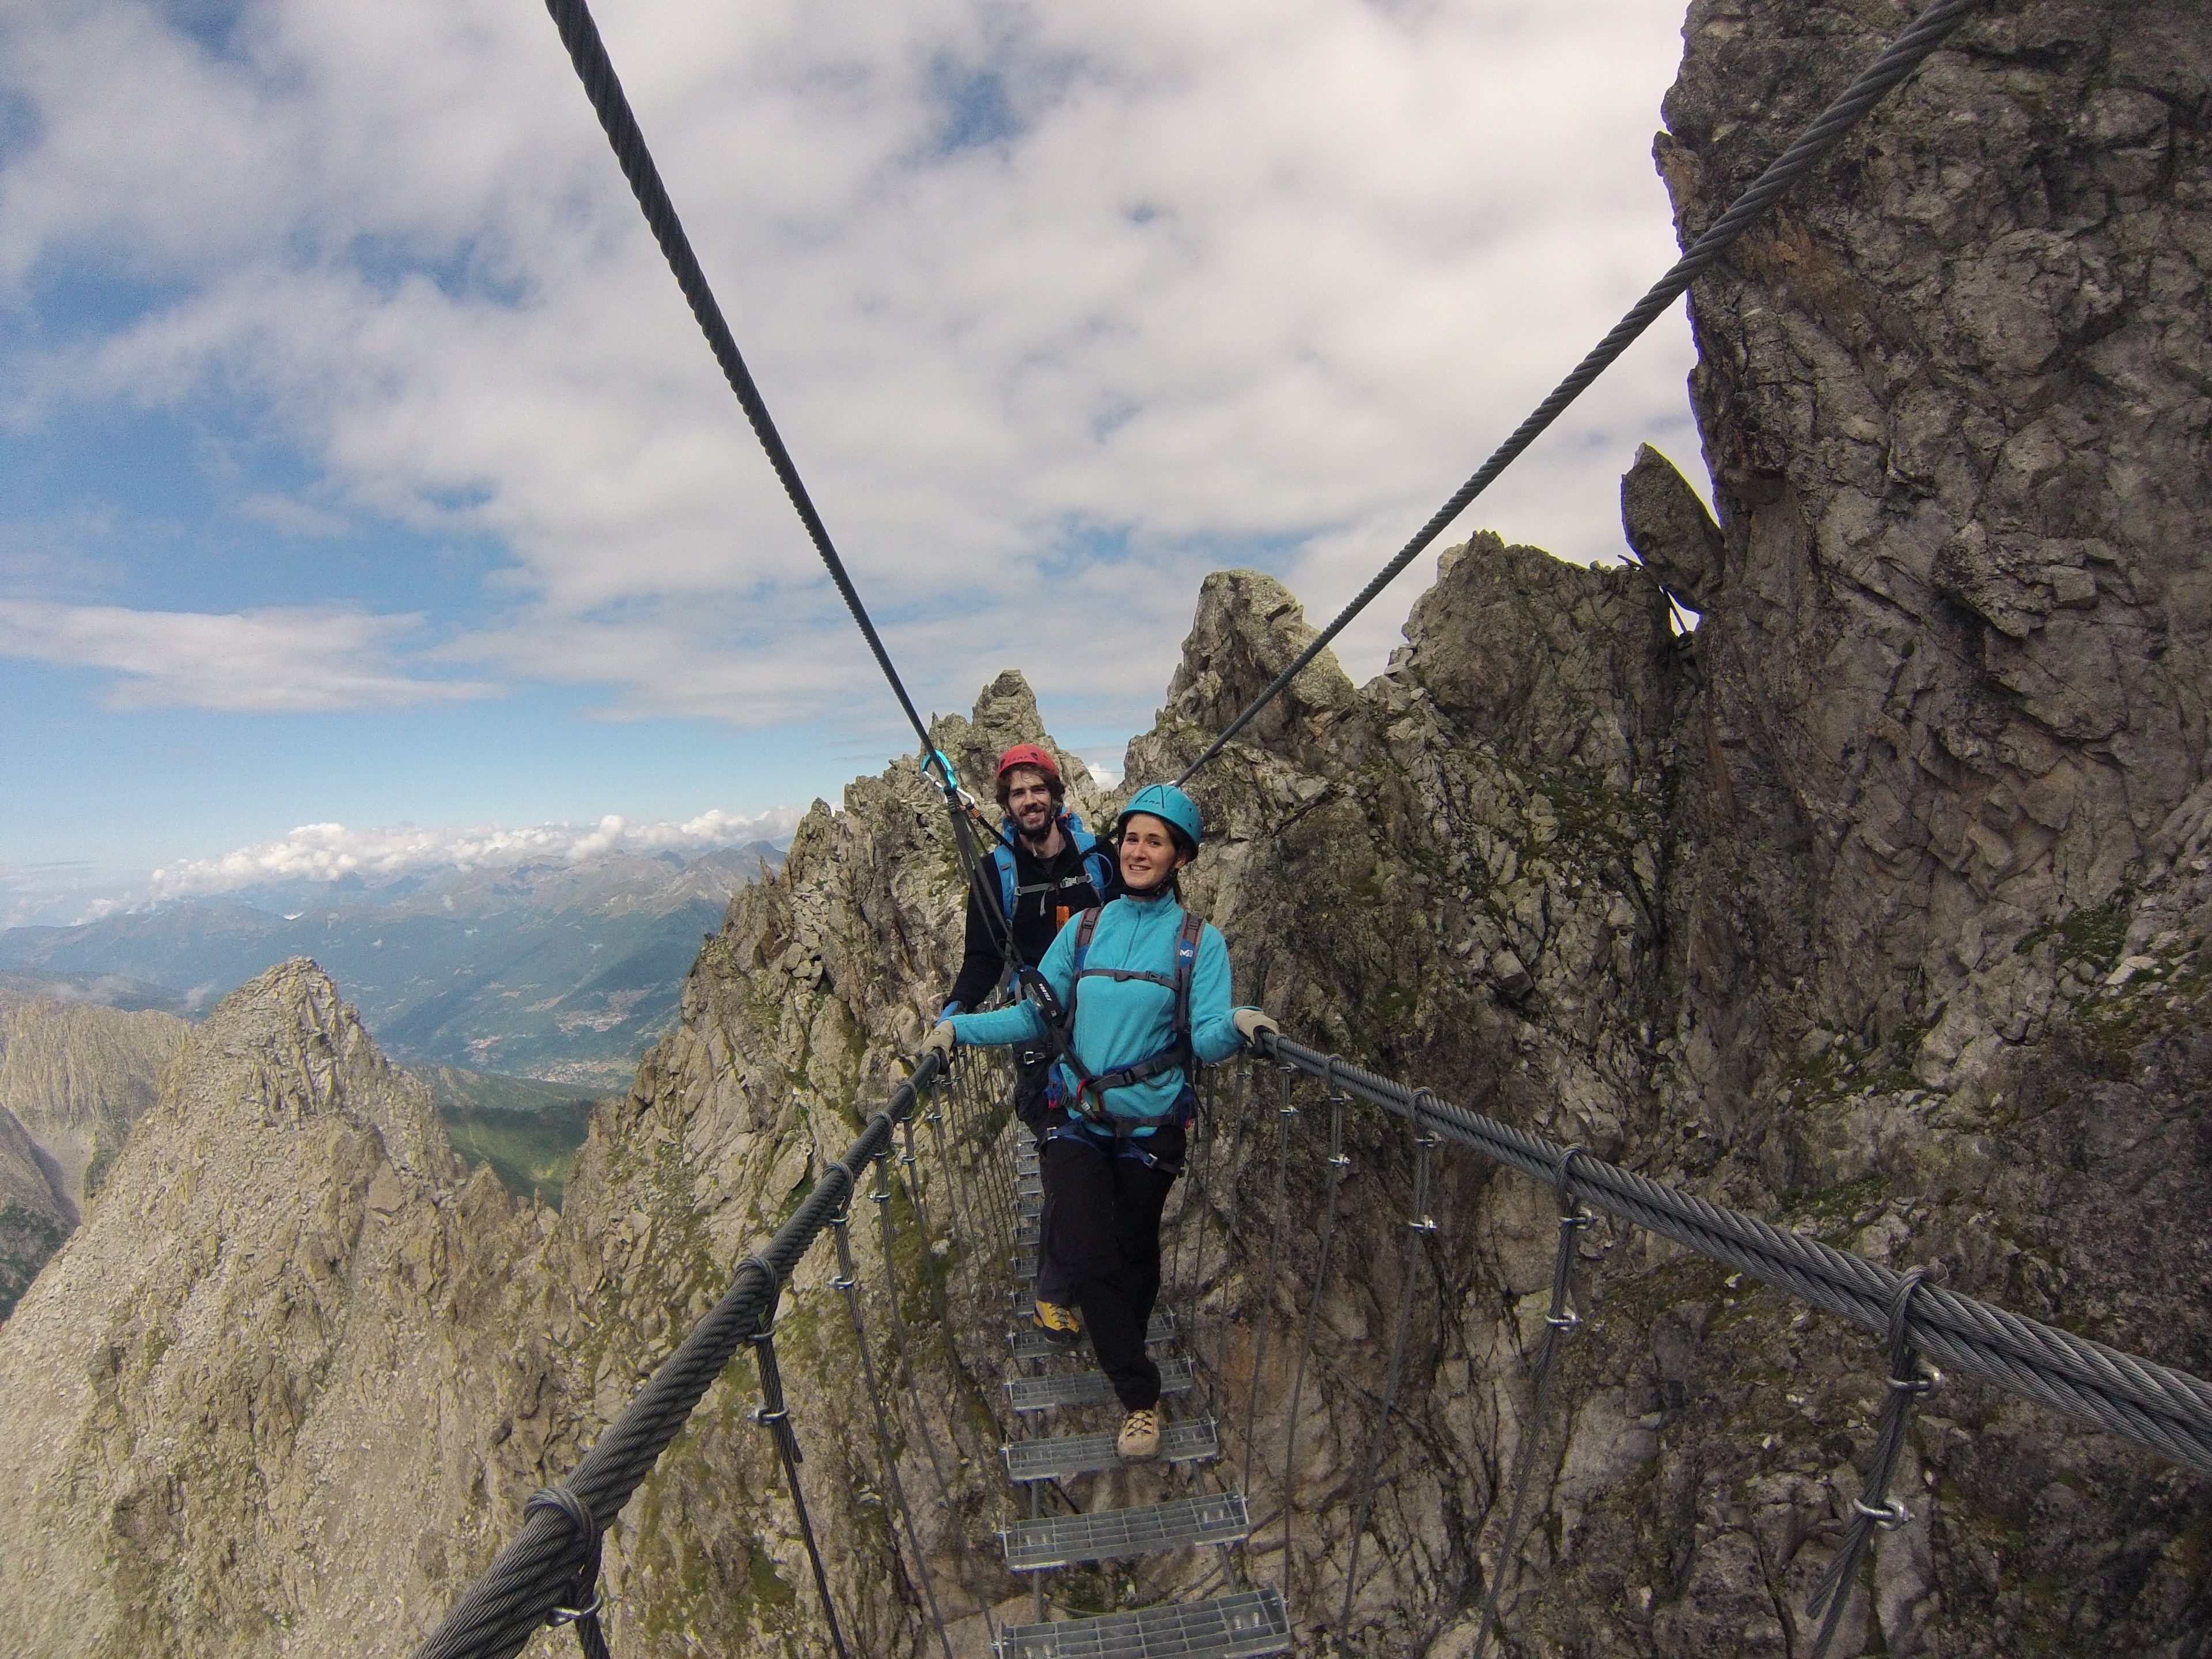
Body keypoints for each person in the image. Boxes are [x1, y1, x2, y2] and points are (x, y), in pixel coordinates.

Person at [923, 783, 1278, 1461]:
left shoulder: (1201, 944)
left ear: (1179, 858)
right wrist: (957, 1032)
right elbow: (1035, 1013)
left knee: (1137, 1255)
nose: (1138, 851)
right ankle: (1140, 1397)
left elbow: (1203, 1037)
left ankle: (1124, 1336)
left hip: (1152, 1130)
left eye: (1155, 841)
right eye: (1131, 838)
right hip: (1076, 1118)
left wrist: (1236, 1024)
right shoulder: (1084, 929)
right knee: (1089, 1254)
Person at [941, 744, 1118, 1137]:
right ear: (1006, 806)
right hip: (1038, 1028)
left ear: (1054, 795)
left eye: (1038, 790)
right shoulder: (993, 874)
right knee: (1060, 1145)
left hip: (1105, 1024)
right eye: (1018, 794)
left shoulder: (1099, 856)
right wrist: (953, 1013)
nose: (1030, 801)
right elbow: (983, 958)